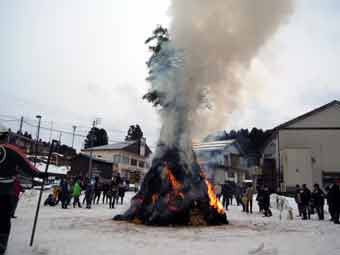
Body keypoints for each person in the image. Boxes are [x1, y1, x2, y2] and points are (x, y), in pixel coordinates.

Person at [0, 143, 42, 254]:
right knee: (4, 218)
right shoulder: (11, 150)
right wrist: (39, 174)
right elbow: (27, 165)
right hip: (4, 191)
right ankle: (1, 244)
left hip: (6, 191)